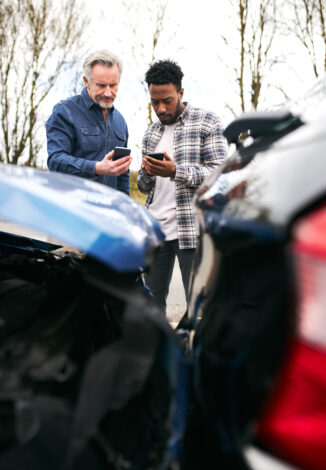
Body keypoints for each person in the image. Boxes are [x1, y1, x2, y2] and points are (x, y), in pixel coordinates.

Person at [137, 59, 227, 313]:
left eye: (167, 100)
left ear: (181, 93)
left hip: (192, 231)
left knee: (198, 307)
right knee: (150, 309)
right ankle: (159, 352)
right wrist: (147, 172)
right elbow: (145, 188)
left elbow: (219, 175)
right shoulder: (151, 133)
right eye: (155, 102)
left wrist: (175, 171)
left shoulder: (207, 122)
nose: (161, 108)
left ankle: (193, 352)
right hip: (155, 232)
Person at [46, 49, 132, 195]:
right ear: (87, 81)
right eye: (101, 85)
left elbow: (122, 175)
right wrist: (96, 168)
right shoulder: (64, 112)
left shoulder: (120, 121)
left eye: (113, 85)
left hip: (109, 211)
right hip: (74, 209)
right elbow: (55, 161)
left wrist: (126, 208)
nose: (108, 93)